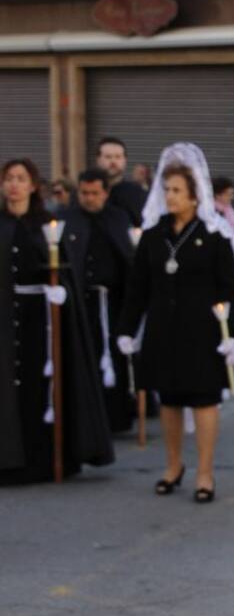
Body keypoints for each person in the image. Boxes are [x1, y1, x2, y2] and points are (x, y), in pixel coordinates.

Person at [116, 144, 234, 504]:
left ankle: (205, 472)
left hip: (202, 331)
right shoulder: (154, 235)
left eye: (176, 190)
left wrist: (231, 334)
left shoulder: (214, 235)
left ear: (194, 195)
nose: (169, 196)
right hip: (163, 328)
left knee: (204, 401)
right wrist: (126, 329)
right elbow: (138, 287)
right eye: (166, 189)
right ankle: (173, 466)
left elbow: (230, 289)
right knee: (169, 399)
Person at [1, 159, 113, 485]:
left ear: (33, 185)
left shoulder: (47, 224)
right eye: (9, 178)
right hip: (6, 319)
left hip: (39, 320)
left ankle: (44, 460)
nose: (14, 184)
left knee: (39, 387)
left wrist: (59, 289)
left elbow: (64, 271)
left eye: (21, 178)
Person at [60, 168, 137, 433]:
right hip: (81, 304)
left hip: (113, 303)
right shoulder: (66, 219)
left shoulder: (118, 218)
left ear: (105, 193)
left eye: (94, 193)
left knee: (115, 357)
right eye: (84, 193)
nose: (89, 198)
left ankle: (116, 417)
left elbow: (128, 257)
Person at [95, 137, 148, 227]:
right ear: (98, 159)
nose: (113, 161)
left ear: (125, 160)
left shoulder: (137, 194)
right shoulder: (86, 191)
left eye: (118, 157)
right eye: (108, 157)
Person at [212, 177, 234, 248]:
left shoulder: (229, 210)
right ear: (218, 195)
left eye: (232, 194)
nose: (232, 197)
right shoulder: (213, 212)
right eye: (228, 194)